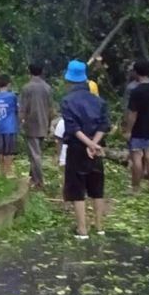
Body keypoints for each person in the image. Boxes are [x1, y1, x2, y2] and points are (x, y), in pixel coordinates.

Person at [60, 60, 110, 239]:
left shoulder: (67, 101)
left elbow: (72, 128)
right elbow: (104, 125)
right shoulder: (99, 101)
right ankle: (99, 227)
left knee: (77, 189)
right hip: (95, 150)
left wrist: (88, 144)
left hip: (77, 148)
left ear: (69, 79)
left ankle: (82, 230)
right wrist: (95, 144)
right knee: (97, 187)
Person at [125, 60, 149, 193]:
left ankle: (136, 188)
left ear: (135, 72)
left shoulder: (136, 91)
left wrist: (128, 130)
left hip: (139, 128)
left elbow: (133, 113)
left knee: (137, 157)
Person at [20, 62, 53, 189]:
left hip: (31, 124)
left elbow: (23, 108)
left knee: (35, 154)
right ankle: (33, 177)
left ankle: (39, 181)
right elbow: (51, 108)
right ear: (42, 71)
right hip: (44, 123)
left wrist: (21, 121)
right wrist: (50, 124)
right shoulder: (47, 87)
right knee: (36, 152)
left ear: (29, 72)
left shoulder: (27, 88)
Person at [0, 74, 19, 178]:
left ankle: (1, 170)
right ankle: (8, 171)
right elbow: (17, 108)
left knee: (0, 150)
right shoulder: (12, 96)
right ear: (9, 84)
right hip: (10, 126)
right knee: (9, 150)